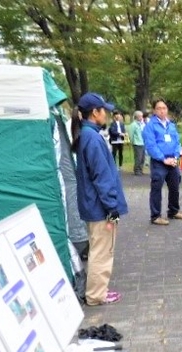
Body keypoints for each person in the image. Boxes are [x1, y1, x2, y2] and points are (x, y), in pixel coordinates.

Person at [71, 92, 128, 306]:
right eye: (104, 110)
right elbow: (102, 177)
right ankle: (96, 294)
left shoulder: (87, 134)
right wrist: (112, 206)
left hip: (94, 205)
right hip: (101, 208)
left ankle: (97, 290)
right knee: (103, 249)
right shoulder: (93, 138)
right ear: (95, 112)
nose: (106, 114)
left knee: (100, 247)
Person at [143, 98, 182, 225]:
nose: (162, 111)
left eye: (164, 108)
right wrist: (163, 159)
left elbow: (177, 142)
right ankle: (155, 215)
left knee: (175, 185)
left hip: (172, 160)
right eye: (159, 108)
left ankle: (173, 211)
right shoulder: (150, 126)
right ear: (154, 110)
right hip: (159, 161)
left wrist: (176, 156)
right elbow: (151, 146)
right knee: (157, 187)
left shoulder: (171, 125)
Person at [128, 110, 146, 176]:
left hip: (143, 143)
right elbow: (131, 134)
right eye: (140, 116)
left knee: (142, 158)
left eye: (142, 116)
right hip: (137, 143)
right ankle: (137, 170)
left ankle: (141, 169)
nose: (141, 117)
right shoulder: (133, 125)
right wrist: (132, 142)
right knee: (138, 158)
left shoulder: (142, 124)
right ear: (136, 117)